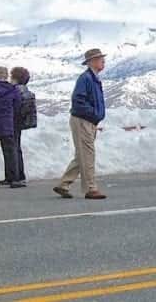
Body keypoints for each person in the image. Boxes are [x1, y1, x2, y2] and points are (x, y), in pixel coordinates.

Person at [54, 48, 108, 199]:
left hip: (89, 121)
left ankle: (63, 184)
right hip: (83, 120)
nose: (102, 61)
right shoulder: (86, 79)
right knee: (88, 155)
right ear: (91, 62)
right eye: (99, 58)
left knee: (81, 156)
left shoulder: (93, 78)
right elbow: (78, 101)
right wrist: (93, 113)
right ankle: (91, 188)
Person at [9, 67, 37, 185]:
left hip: (12, 122)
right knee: (17, 148)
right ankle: (21, 174)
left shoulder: (14, 91)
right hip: (21, 122)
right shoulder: (27, 91)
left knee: (12, 149)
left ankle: (15, 175)